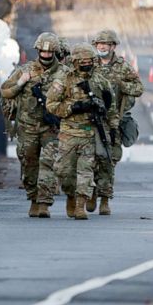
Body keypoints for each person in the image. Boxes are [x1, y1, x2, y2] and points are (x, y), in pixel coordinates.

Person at [45, 43, 119, 220]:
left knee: (86, 171)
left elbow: (112, 108)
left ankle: (80, 205)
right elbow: (51, 105)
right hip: (68, 133)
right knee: (64, 172)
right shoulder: (63, 80)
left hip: (89, 133)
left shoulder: (100, 81)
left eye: (89, 61)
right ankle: (71, 195)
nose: (87, 64)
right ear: (76, 62)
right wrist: (74, 107)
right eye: (83, 61)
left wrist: (113, 127)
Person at [0, 33, 63, 218]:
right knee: (29, 164)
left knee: (48, 163)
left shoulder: (63, 73)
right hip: (27, 127)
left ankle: (44, 203)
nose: (46, 55)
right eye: (43, 51)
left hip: (51, 128)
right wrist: (21, 83)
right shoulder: (25, 70)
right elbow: (5, 92)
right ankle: (33, 197)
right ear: (38, 51)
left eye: (50, 51)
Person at [88, 29, 144, 215]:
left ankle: (105, 199)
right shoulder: (89, 64)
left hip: (113, 121)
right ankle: (92, 192)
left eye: (105, 44)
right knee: (92, 158)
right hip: (92, 119)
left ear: (113, 46)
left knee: (109, 160)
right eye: (98, 44)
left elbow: (138, 88)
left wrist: (122, 85)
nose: (101, 47)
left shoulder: (123, 66)